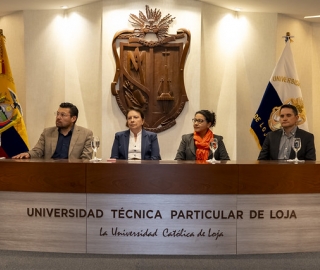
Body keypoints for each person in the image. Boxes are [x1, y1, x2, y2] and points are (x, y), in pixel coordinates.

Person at [12, 102, 93, 160]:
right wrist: (28, 154)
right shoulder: (47, 132)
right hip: (49, 172)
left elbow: (86, 158)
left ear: (73, 118)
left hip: (74, 173)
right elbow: (38, 151)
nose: (58, 117)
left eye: (63, 115)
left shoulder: (86, 134)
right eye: (57, 114)